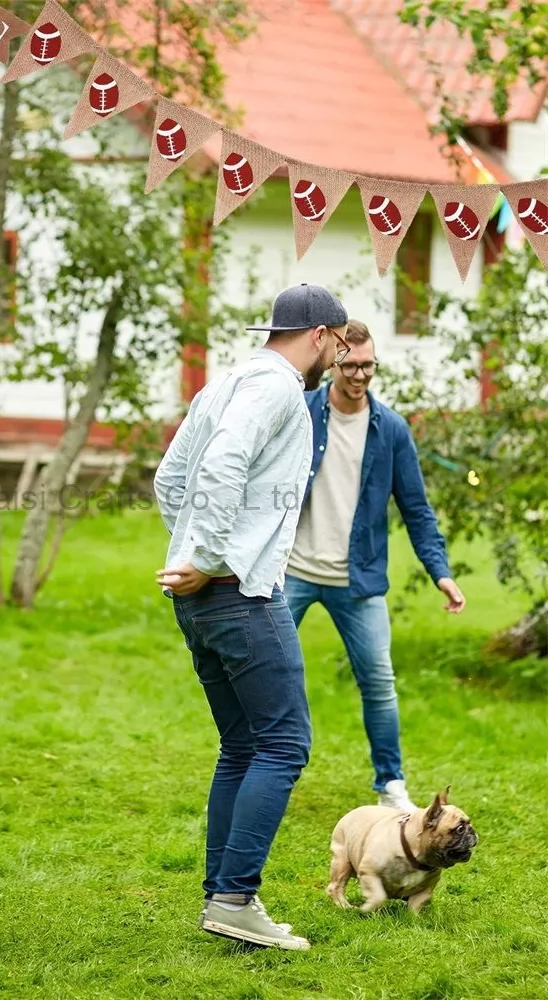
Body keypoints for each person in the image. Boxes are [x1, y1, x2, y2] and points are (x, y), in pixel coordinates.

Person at [154, 283, 350, 951]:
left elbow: (170, 478)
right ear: (321, 335)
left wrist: (189, 556)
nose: (339, 355)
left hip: (201, 596)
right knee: (284, 745)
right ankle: (236, 896)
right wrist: (208, 556)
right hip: (238, 592)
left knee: (242, 746)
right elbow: (221, 463)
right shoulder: (275, 390)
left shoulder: (224, 383)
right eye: (340, 342)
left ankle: (223, 898)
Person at [283, 320, 465, 813]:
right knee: (268, 672)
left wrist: (440, 572)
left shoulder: (392, 431)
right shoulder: (301, 412)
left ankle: (391, 783)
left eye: (369, 365)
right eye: (351, 364)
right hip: (292, 571)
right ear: (333, 361)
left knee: (379, 681)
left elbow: (417, 509)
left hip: (357, 580)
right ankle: (263, 764)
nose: (360, 374)